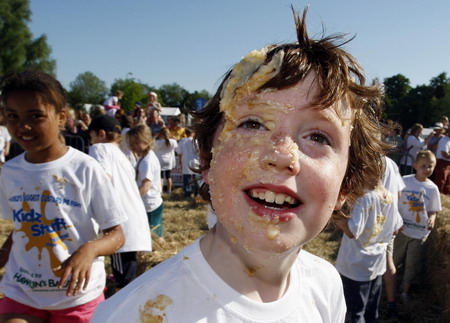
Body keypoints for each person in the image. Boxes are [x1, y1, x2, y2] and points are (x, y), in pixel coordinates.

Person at [92, 7, 388, 322]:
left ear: (346, 184)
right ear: (207, 159)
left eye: (318, 136)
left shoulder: (326, 285)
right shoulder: (133, 315)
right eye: (252, 124)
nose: (282, 155)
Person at [0, 70, 126, 322]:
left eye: (35, 116)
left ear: (61, 117)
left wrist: (89, 250)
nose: (22, 126)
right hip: (21, 291)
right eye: (13, 116)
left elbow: (117, 235)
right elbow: (22, 227)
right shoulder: (10, 172)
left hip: (76, 296)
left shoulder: (85, 168)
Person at [88, 115, 152, 292]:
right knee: (127, 274)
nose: (90, 140)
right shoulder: (121, 154)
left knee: (122, 280)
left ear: (101, 134)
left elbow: (102, 180)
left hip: (120, 222)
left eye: (91, 135)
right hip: (133, 218)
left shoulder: (99, 148)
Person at [335, 178, 402, 322]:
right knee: (371, 309)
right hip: (376, 262)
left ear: (366, 173)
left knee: (355, 311)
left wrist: (336, 217)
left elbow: (352, 232)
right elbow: (397, 228)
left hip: (355, 265)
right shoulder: (389, 196)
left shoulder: (365, 198)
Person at [394, 150, 441, 302]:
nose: (427, 169)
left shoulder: (432, 189)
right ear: (415, 165)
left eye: (430, 166)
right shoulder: (404, 181)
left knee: (412, 264)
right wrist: (396, 220)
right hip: (402, 229)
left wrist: (432, 218)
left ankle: (405, 291)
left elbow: (433, 210)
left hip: (420, 232)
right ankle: (388, 284)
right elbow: (394, 202)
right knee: (395, 258)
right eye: (423, 166)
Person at [126, 124, 164, 239]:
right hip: (149, 203)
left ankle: (163, 253)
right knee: (151, 234)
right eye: (131, 143)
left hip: (150, 205)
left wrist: (132, 200)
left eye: (136, 143)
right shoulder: (145, 158)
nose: (132, 147)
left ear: (146, 141)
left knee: (154, 236)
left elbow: (146, 185)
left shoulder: (147, 161)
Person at [381, 156, 405, 319]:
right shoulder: (391, 163)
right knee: (388, 261)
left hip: (370, 222)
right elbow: (399, 194)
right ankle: (391, 303)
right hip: (389, 222)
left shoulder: (364, 160)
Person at [175, 127, 200, 198]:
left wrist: (180, 160)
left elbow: (179, 152)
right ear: (192, 133)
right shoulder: (195, 141)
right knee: (196, 178)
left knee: (187, 178)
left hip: (186, 160)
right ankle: (197, 192)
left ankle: (187, 193)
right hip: (195, 160)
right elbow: (199, 151)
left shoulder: (182, 141)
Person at [154, 127, 178, 194]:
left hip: (160, 160)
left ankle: (160, 191)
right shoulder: (173, 142)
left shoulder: (157, 142)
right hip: (169, 161)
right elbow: (176, 147)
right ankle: (169, 191)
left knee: (161, 177)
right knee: (168, 176)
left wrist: (156, 136)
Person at [433, 126, 450, 194]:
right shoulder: (444, 140)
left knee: (447, 185)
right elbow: (445, 155)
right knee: (440, 183)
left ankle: (444, 201)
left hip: (447, 164)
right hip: (442, 164)